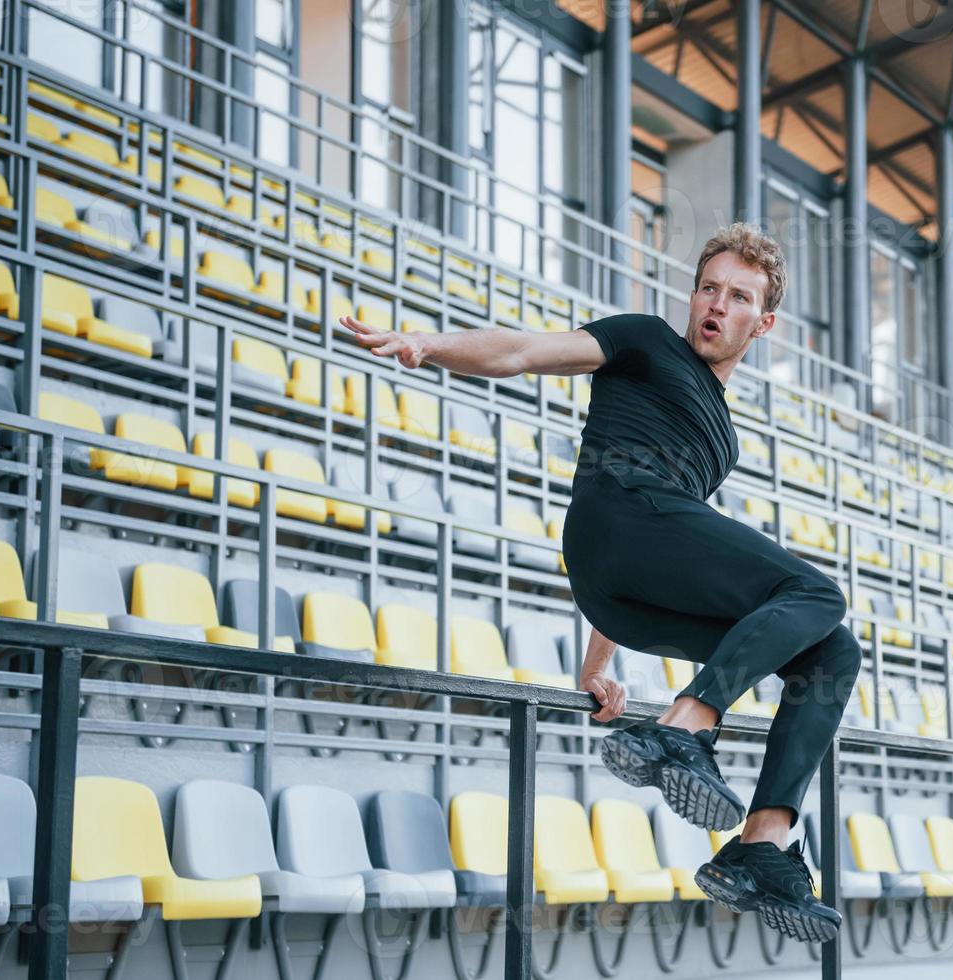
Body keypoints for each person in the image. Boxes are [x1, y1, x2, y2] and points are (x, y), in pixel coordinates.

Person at [341, 222, 860, 943]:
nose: (715, 304)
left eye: (737, 297)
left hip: (620, 579)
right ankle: (683, 729)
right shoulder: (645, 340)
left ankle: (763, 845)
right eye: (708, 287)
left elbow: (673, 561)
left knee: (830, 650)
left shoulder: (724, 435)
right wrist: (431, 347)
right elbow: (525, 350)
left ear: (762, 322)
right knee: (818, 594)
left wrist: (596, 666)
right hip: (618, 514)